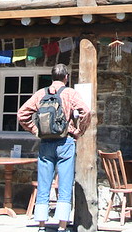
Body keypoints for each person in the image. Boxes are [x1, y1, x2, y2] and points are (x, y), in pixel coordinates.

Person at [17, 64, 91, 232]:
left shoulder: (40, 94)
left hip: (45, 143)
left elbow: (22, 114)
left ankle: (42, 225)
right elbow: (86, 111)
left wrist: (36, 130)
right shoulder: (70, 93)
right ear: (66, 77)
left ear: (52, 77)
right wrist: (79, 131)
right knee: (64, 184)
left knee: (44, 184)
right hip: (65, 142)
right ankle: (62, 226)